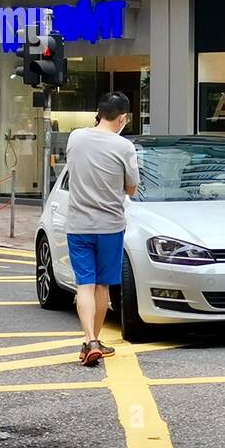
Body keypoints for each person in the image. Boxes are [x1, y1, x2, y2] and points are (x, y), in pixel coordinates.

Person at [64, 92, 139, 367]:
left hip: (78, 224)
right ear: (122, 118)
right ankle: (95, 339)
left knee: (84, 283)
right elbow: (131, 188)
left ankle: (90, 341)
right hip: (109, 226)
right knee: (102, 285)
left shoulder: (76, 137)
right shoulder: (124, 147)